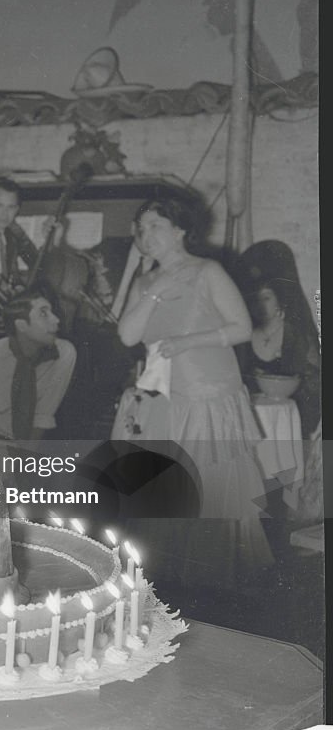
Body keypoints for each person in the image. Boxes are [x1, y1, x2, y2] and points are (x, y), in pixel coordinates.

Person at [111, 198, 271, 587]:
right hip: (164, 399)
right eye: (140, 229)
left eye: (154, 226)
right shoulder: (145, 282)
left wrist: (187, 342)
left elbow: (242, 328)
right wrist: (154, 290)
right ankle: (170, 579)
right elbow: (128, 334)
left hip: (206, 395)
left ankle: (211, 581)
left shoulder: (207, 271)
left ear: (180, 230)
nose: (145, 236)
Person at [0, 290, 76, 441]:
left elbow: (43, 415)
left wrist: (23, 459)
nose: (56, 319)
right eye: (44, 314)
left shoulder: (62, 353)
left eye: (52, 312)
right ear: (22, 325)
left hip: (17, 447)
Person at [239, 277, 321, 437]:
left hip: (289, 415)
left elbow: (311, 379)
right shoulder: (245, 335)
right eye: (256, 299)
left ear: (279, 302)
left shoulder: (295, 334)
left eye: (267, 298)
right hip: (257, 415)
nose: (260, 303)